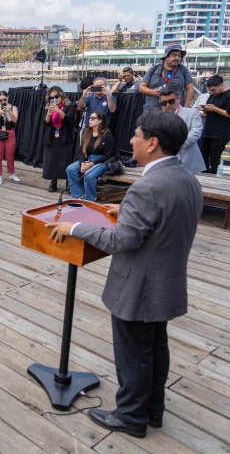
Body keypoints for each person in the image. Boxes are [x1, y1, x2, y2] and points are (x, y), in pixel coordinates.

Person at [46, 110, 203, 439]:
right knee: (155, 349)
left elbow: (121, 240)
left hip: (139, 289)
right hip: (166, 282)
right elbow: (163, 219)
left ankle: (131, 417)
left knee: (133, 354)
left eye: (136, 135)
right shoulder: (186, 177)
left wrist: (74, 226)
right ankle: (152, 410)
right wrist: (126, 209)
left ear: (153, 142)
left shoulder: (148, 186)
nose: (131, 140)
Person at [66, 111, 115, 202]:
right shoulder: (86, 132)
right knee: (70, 169)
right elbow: (81, 151)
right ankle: (78, 196)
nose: (90, 120)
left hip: (101, 162)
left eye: (93, 118)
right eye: (89, 118)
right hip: (87, 160)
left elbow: (108, 156)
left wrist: (92, 164)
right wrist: (82, 163)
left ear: (100, 121)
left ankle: (89, 199)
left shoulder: (107, 134)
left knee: (89, 175)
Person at [157, 87, 205, 174]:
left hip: (188, 162)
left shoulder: (192, 113)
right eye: (164, 103)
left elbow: (196, 133)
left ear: (178, 99)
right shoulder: (158, 117)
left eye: (171, 101)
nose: (167, 105)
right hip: (164, 163)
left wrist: (175, 145)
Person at [199, 75, 230, 174]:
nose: (212, 93)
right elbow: (208, 112)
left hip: (221, 133)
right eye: (210, 91)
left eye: (213, 90)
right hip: (208, 130)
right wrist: (205, 110)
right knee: (203, 155)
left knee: (214, 158)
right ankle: (205, 175)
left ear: (221, 85)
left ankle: (213, 177)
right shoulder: (213, 96)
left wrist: (215, 109)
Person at [42, 86, 77, 192]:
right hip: (52, 136)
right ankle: (53, 182)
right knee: (52, 160)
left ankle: (68, 183)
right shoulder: (49, 106)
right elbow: (45, 122)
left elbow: (70, 119)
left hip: (64, 136)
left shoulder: (69, 106)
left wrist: (58, 110)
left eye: (56, 96)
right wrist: (49, 114)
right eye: (52, 97)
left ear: (61, 95)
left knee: (65, 160)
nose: (55, 99)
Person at [139, 44, 194, 110]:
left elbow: (190, 89)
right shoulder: (154, 69)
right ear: (166, 57)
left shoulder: (183, 70)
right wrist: (153, 92)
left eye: (179, 56)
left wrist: (186, 108)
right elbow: (141, 87)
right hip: (153, 111)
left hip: (175, 113)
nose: (177, 58)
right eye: (174, 55)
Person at [0, 90, 21, 185]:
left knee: (10, 155)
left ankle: (12, 173)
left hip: (9, 132)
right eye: (1, 100)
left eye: (5, 99)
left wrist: (8, 111)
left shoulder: (13, 107)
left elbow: (15, 120)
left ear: (8, 98)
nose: (3, 101)